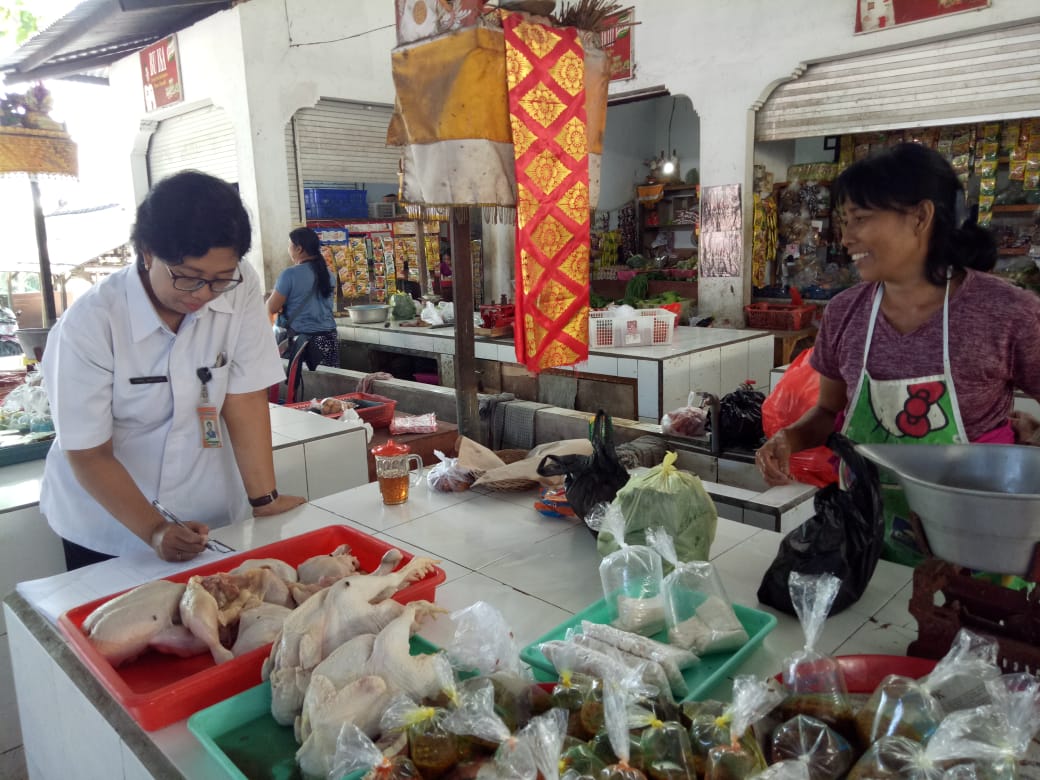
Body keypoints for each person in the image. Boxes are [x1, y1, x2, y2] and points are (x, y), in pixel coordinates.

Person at [755, 142, 1040, 566]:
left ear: (921, 217)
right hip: (864, 536)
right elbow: (829, 411)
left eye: (861, 219)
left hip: (973, 542)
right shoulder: (844, 312)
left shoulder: (1007, 312)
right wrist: (787, 439)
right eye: (845, 221)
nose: (846, 236)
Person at [40, 170, 305, 570]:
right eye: (188, 278)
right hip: (110, 527)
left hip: (210, 515)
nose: (202, 294)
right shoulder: (91, 323)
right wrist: (154, 529)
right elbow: (89, 452)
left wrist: (264, 500)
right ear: (147, 253)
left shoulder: (241, 283)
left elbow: (244, 394)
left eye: (218, 281)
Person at [267, 227, 339, 368]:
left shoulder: (290, 274)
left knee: (302, 386)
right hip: (328, 339)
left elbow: (272, 307)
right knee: (329, 385)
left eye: (289, 246)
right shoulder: (329, 275)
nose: (288, 250)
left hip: (302, 342)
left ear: (299, 249)